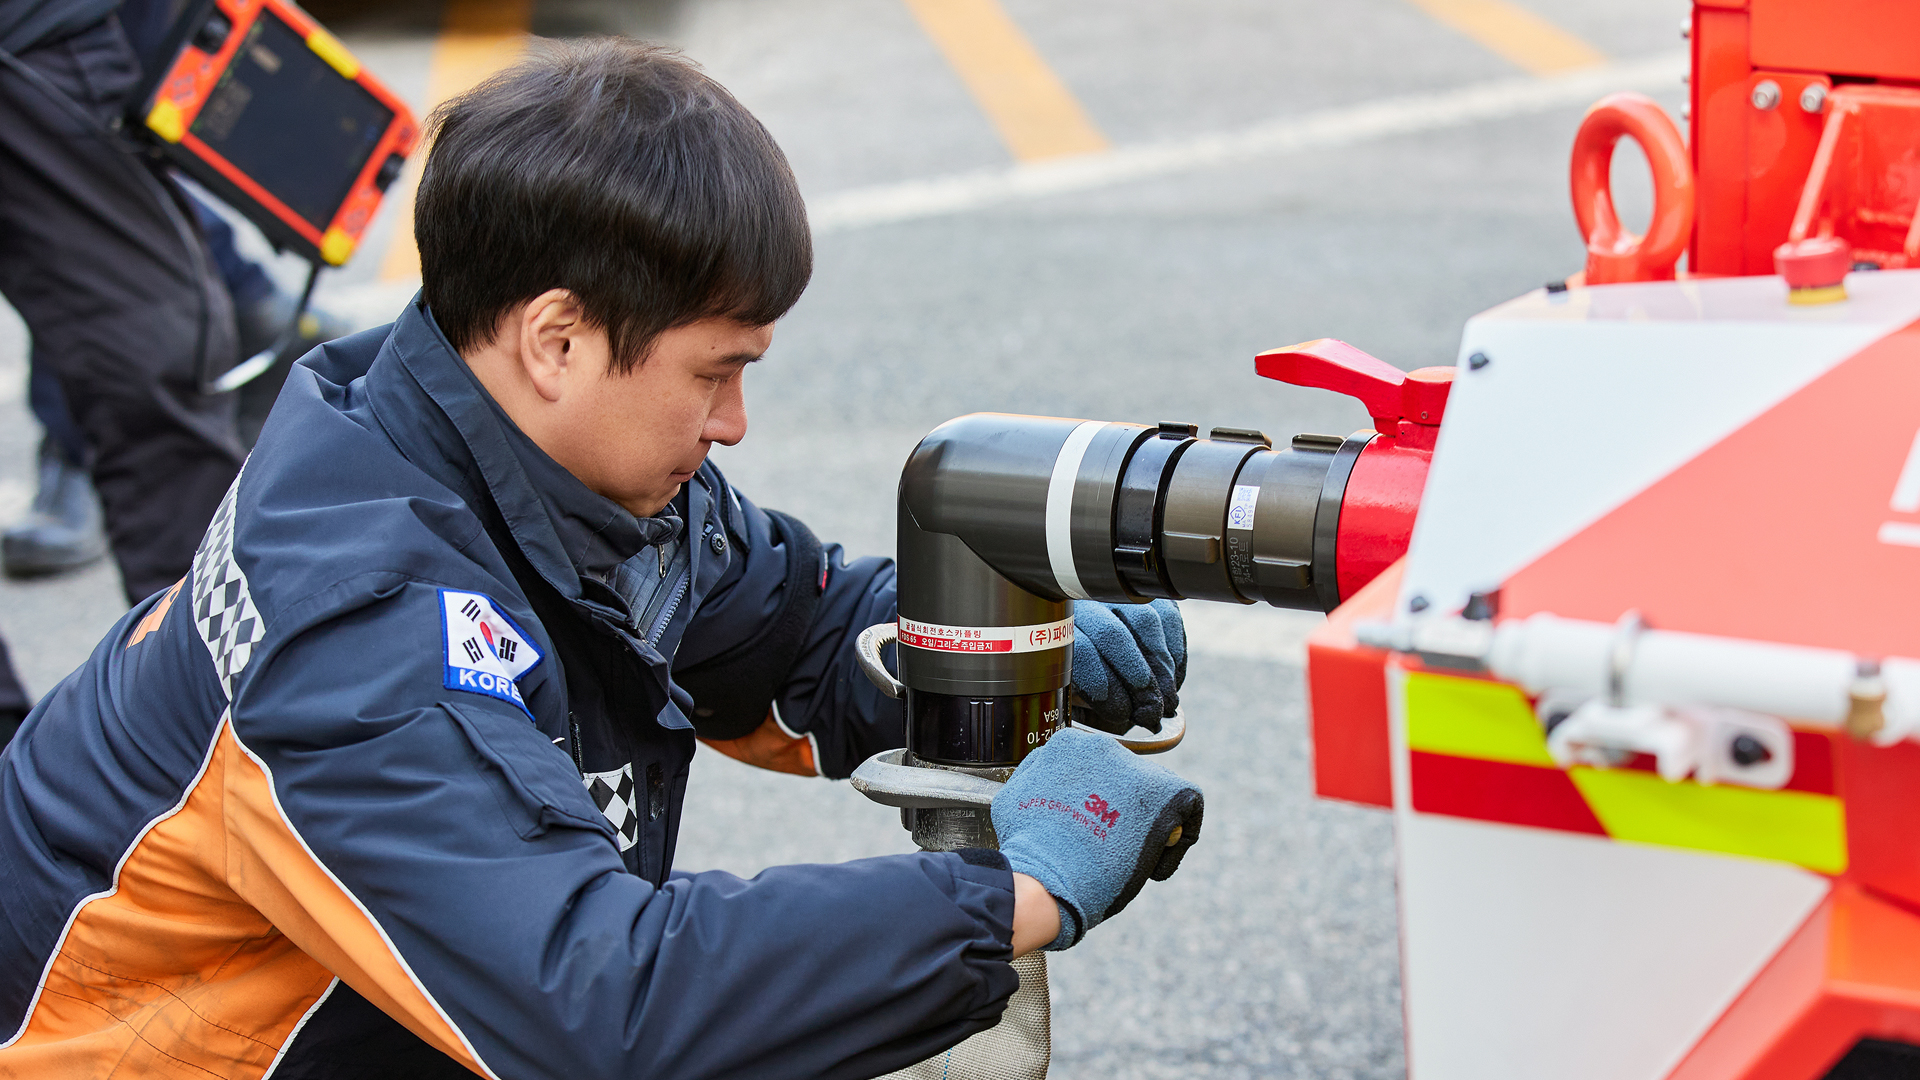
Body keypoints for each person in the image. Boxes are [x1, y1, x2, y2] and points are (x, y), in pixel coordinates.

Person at [0, 39, 1202, 1078]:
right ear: (557, 339)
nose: (734, 423)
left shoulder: (509, 447)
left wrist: (992, 653)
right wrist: (1015, 895)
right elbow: (598, 1006)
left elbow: (783, 631)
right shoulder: (359, 626)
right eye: (716, 371)